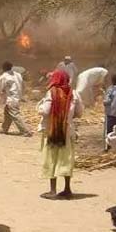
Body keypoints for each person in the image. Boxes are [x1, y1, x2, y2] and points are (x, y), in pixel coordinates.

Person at [38, 70, 83, 199]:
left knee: (51, 159)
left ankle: (52, 190)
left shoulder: (51, 93)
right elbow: (79, 113)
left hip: (52, 131)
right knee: (66, 159)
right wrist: (67, 116)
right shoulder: (74, 93)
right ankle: (67, 189)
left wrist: (39, 107)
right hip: (67, 131)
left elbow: (45, 111)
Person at [0, 61, 32, 136]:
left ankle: (26, 131)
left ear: (3, 68)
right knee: (7, 113)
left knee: (15, 114)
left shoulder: (4, 76)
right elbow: (22, 85)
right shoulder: (18, 74)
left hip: (11, 98)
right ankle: (4, 129)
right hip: (17, 96)